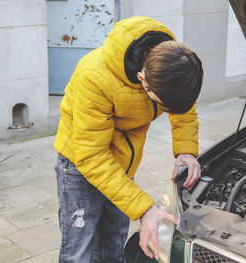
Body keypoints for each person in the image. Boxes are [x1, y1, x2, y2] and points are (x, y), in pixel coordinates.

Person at [54, 16, 203, 262]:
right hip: (80, 166)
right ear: (143, 80)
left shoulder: (173, 65)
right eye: (163, 106)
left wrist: (185, 150)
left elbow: (184, 108)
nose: (169, 111)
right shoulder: (94, 76)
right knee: (78, 252)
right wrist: (143, 209)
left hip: (123, 164)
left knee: (113, 248)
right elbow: (92, 155)